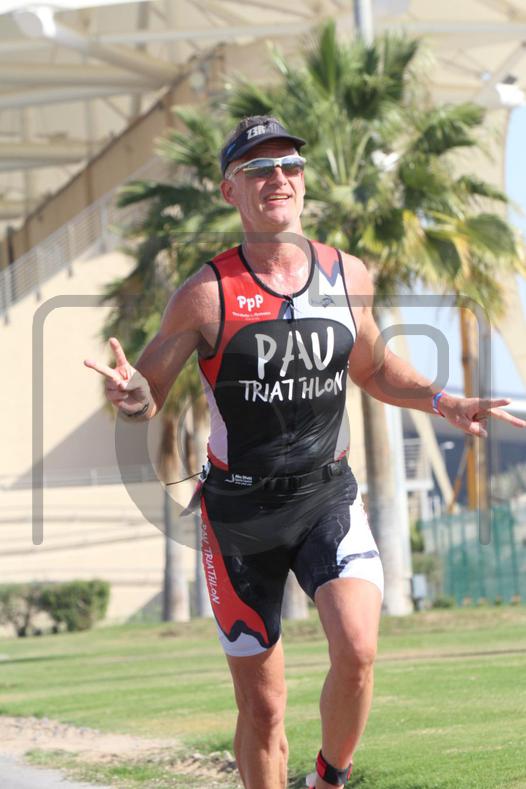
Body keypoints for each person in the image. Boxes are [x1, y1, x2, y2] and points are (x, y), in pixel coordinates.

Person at [84, 116, 526, 789]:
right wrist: (132, 394)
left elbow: (373, 369)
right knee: (263, 708)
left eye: (289, 165)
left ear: (303, 181)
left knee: (359, 649)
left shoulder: (346, 274)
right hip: (239, 517)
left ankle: (330, 775)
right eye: (259, 169)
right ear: (230, 190)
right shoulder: (205, 294)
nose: (278, 178)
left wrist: (444, 401)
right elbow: (149, 394)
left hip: (327, 497)